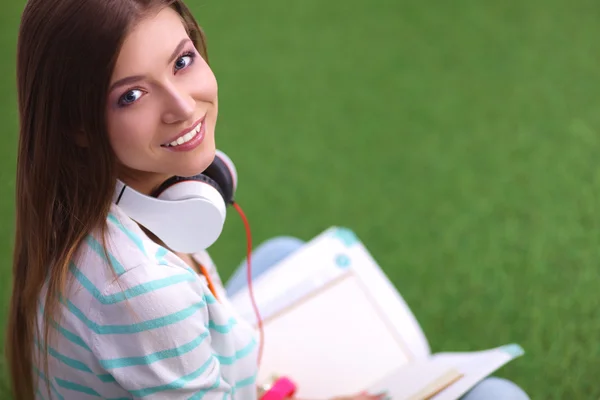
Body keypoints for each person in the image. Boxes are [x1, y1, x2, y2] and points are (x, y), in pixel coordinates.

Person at [5, 0, 529, 399]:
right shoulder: (142, 292)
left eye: (182, 61)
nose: (184, 106)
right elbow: (150, 302)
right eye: (132, 95)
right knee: (498, 395)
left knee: (279, 253)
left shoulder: (80, 201)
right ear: (76, 123)